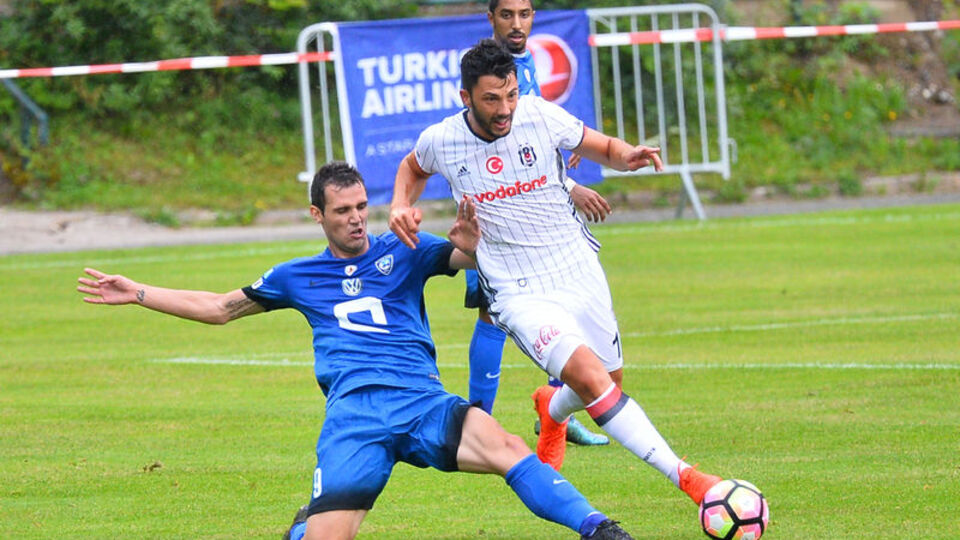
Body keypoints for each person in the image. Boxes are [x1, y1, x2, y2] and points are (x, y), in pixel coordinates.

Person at [76, 161, 634, 540]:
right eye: (342, 211)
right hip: (355, 419)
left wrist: (470, 240)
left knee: (508, 445)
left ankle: (601, 529)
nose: (355, 218)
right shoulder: (296, 276)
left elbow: (468, 261)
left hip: (422, 402)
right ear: (318, 215)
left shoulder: (406, 250)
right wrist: (139, 293)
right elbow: (220, 307)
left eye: (361, 206)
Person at [389, 40, 724, 506]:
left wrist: (625, 154)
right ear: (465, 97)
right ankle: (690, 480)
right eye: (491, 99)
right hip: (516, 289)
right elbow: (412, 166)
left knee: (610, 384)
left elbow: (597, 144)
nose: (505, 108)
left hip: (576, 267)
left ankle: (553, 407)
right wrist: (400, 204)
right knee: (590, 379)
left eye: (510, 95)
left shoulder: (540, 115)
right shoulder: (442, 139)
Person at [469, 0, 610, 447]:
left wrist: (561, 169)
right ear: (489, 16)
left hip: (540, 216)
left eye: (525, 14)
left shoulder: (526, 65)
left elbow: (532, 142)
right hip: (498, 212)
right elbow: (496, 152)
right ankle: (478, 421)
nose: (516, 23)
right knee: (490, 313)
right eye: (506, 14)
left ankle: (555, 417)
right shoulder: (483, 71)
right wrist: (570, 188)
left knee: (560, 311)